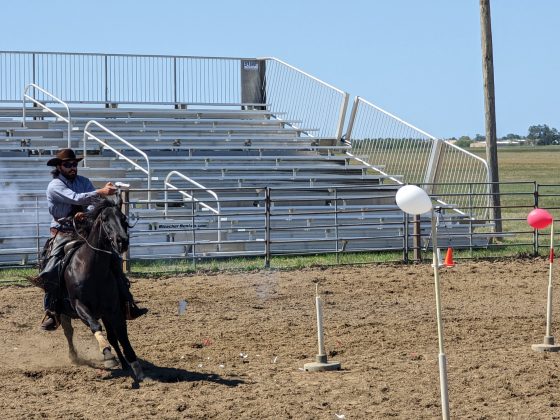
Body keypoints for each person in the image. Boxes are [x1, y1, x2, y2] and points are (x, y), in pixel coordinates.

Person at [38, 148, 147, 331]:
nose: (73, 167)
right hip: (63, 231)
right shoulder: (55, 185)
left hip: (85, 230)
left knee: (113, 259)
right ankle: (52, 310)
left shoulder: (84, 181)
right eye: (68, 164)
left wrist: (88, 212)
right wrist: (102, 191)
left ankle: (127, 303)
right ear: (59, 167)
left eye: (74, 164)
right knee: (52, 267)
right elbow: (75, 198)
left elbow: (93, 205)